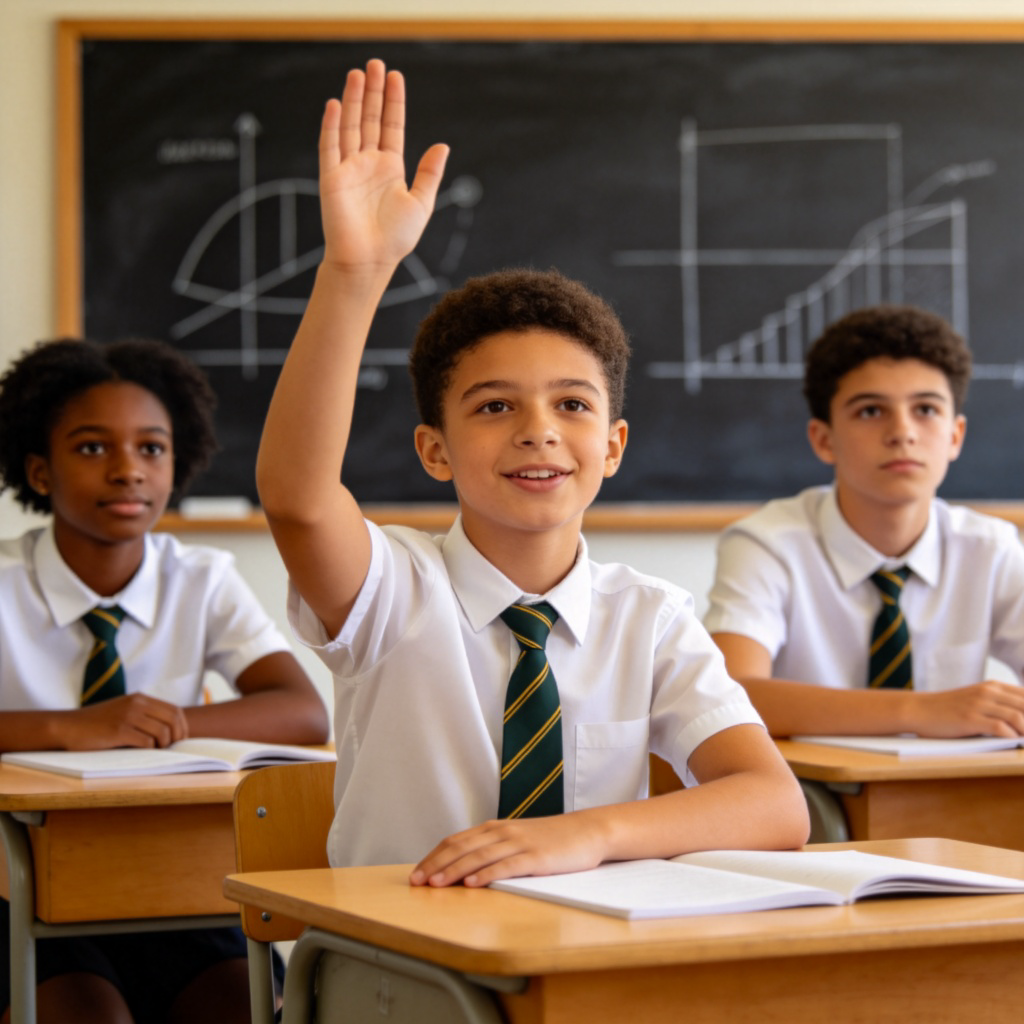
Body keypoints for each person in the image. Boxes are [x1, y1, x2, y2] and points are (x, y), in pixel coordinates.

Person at [256, 58, 808, 891]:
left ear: (614, 446)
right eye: (494, 408)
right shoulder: (390, 592)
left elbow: (776, 807)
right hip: (403, 973)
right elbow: (298, 502)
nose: (539, 433)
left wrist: (586, 837)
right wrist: (356, 273)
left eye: (573, 407)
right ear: (434, 450)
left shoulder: (649, 618)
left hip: (580, 960)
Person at [0, 336, 329, 1024]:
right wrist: (72, 729)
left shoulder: (202, 577)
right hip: (13, 885)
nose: (128, 471)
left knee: (238, 1009)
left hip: (172, 882)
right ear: (38, 471)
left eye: (151, 448)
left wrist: (162, 722)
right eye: (93, 448)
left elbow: (302, 712)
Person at [705, 305, 1024, 739]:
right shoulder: (768, 543)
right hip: (813, 799)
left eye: (926, 409)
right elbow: (730, 696)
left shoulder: (993, 547)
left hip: (951, 791)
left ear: (955, 436)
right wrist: (920, 711)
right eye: (871, 411)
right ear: (823, 439)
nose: (903, 432)